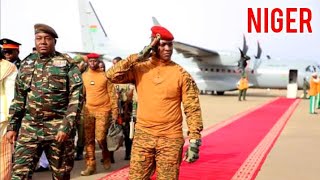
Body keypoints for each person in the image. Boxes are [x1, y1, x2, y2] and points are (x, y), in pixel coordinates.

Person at [106, 25, 203, 179]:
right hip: (143, 136)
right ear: (153, 45)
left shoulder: (181, 74)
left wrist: (194, 139)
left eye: (170, 44)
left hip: (170, 139)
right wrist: (139, 56)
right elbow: (111, 75)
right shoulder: (140, 69)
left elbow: (192, 109)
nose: (168, 48)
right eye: (163, 44)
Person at [5, 23, 83, 179]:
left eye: (47, 38)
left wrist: (66, 127)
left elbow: (77, 98)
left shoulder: (67, 64)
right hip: (30, 128)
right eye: (39, 38)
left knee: (61, 174)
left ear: (54, 41)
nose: (43, 42)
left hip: (58, 128)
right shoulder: (27, 64)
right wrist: (13, 126)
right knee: (19, 174)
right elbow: (19, 98)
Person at [81, 53, 118, 176]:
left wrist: (115, 112)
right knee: (89, 139)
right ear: (88, 62)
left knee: (100, 137)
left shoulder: (105, 76)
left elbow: (112, 95)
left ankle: (106, 154)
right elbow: (82, 95)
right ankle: (91, 165)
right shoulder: (84, 76)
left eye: (94, 61)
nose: (92, 63)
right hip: (88, 111)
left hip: (103, 110)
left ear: (98, 62)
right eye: (90, 61)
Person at [110, 56, 136, 163]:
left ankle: (128, 153)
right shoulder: (111, 78)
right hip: (114, 110)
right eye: (114, 64)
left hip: (126, 111)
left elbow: (132, 96)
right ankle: (110, 155)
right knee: (112, 133)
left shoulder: (128, 78)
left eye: (117, 63)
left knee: (127, 133)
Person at [0, 47, 18, 180]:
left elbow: (12, 95)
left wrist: (13, 122)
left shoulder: (8, 68)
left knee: (3, 156)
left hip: (2, 119)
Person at [72, 55, 88, 161]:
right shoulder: (71, 75)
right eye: (76, 63)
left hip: (83, 108)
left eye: (79, 63)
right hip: (71, 108)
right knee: (71, 131)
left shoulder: (87, 76)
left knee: (82, 132)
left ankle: (79, 151)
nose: (77, 65)